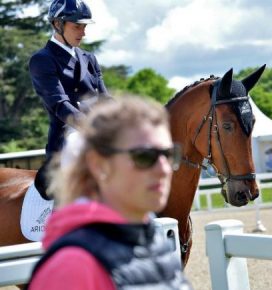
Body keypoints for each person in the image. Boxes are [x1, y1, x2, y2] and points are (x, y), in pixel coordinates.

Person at [27, 97, 192, 289]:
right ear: (99, 165)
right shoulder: (72, 267)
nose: (164, 169)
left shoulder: (158, 244)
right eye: (145, 156)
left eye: (168, 154)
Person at [29, 0, 110, 199]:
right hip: (68, 137)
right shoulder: (43, 59)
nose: (83, 32)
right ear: (58, 24)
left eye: (84, 27)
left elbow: (105, 100)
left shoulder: (89, 59)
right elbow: (60, 105)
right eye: (77, 26)